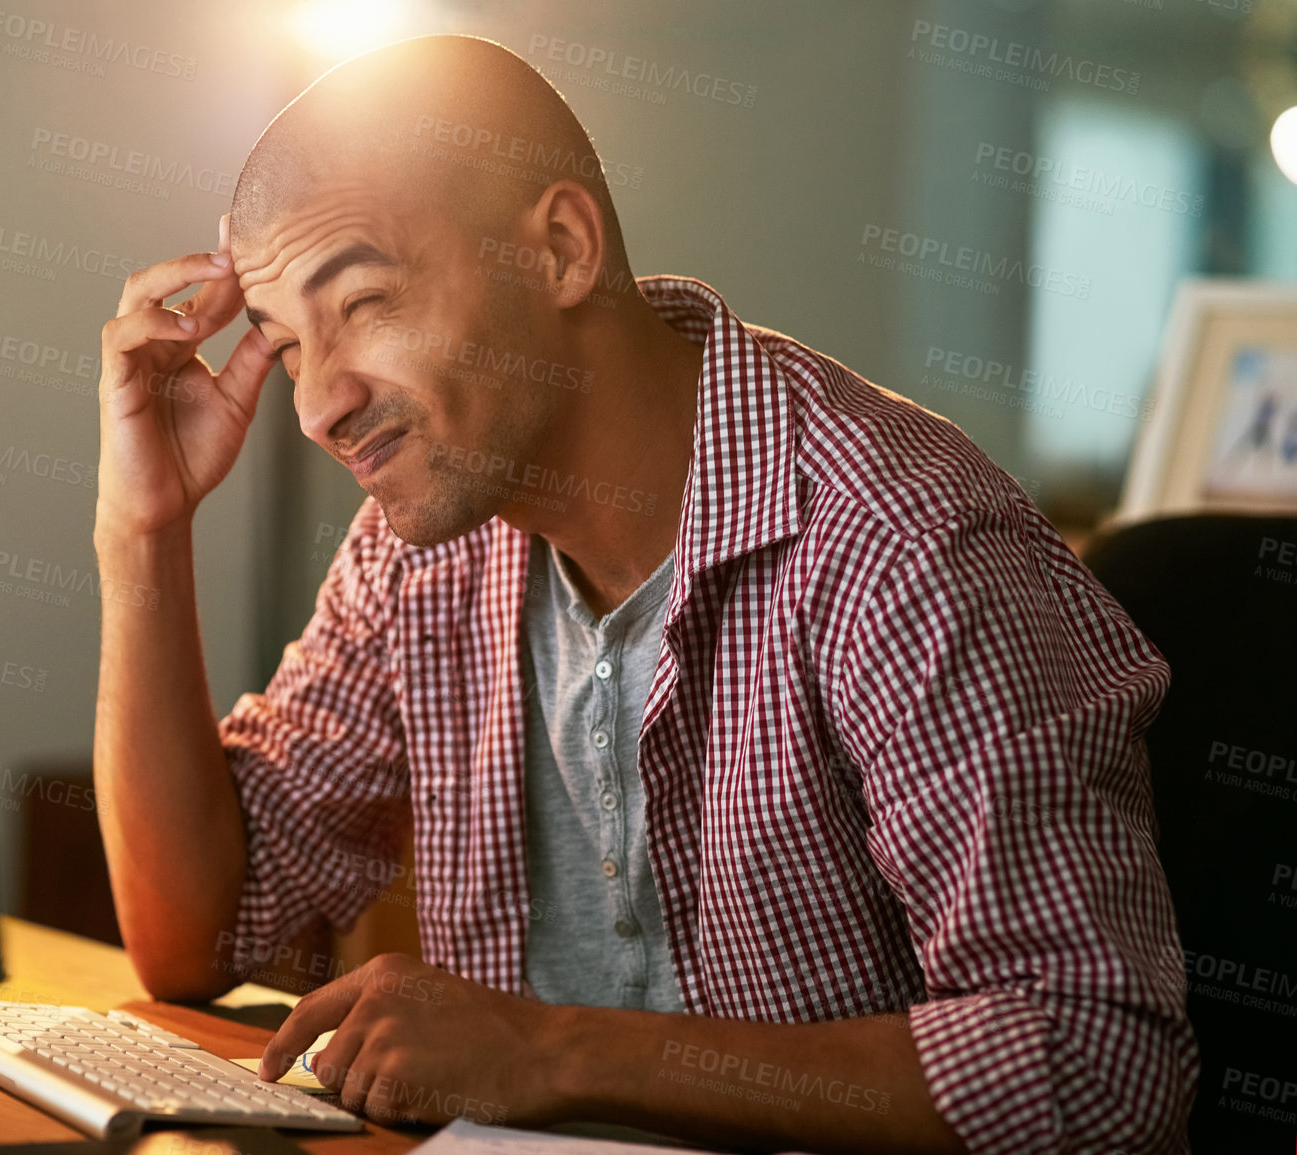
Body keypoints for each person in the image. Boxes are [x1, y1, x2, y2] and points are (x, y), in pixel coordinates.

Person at [92, 34, 1195, 1154]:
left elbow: (1098, 1066)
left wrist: (551, 1054)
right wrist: (145, 529)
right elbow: (203, 935)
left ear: (563, 250)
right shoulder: (416, 555)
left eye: (366, 300)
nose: (320, 403)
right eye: (283, 350)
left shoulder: (902, 542)